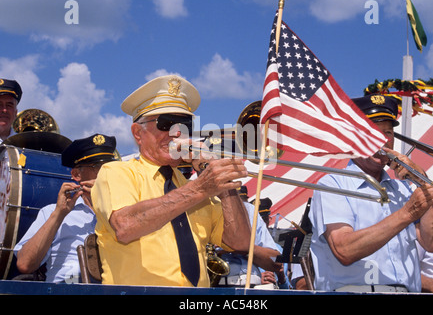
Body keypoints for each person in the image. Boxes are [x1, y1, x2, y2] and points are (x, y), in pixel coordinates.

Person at [91, 75, 251, 287]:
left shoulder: (192, 187)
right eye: (165, 123)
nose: (177, 133)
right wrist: (200, 188)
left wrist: (223, 182)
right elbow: (125, 226)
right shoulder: (116, 172)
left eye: (184, 124)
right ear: (138, 133)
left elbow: (240, 241)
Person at [309, 94, 433, 293]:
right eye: (372, 132)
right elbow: (344, 250)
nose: (382, 140)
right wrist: (407, 213)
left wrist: (422, 180)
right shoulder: (332, 184)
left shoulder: (405, 188)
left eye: (388, 133)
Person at [14, 134, 117, 283]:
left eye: (110, 167)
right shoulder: (51, 212)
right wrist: (59, 214)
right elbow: (25, 264)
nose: (107, 173)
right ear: (76, 174)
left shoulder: (124, 211)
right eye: (98, 167)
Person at [218, 186, 287, 288]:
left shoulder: (250, 210)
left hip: (252, 286)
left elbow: (276, 262)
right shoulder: (202, 207)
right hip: (215, 286)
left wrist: (244, 248)